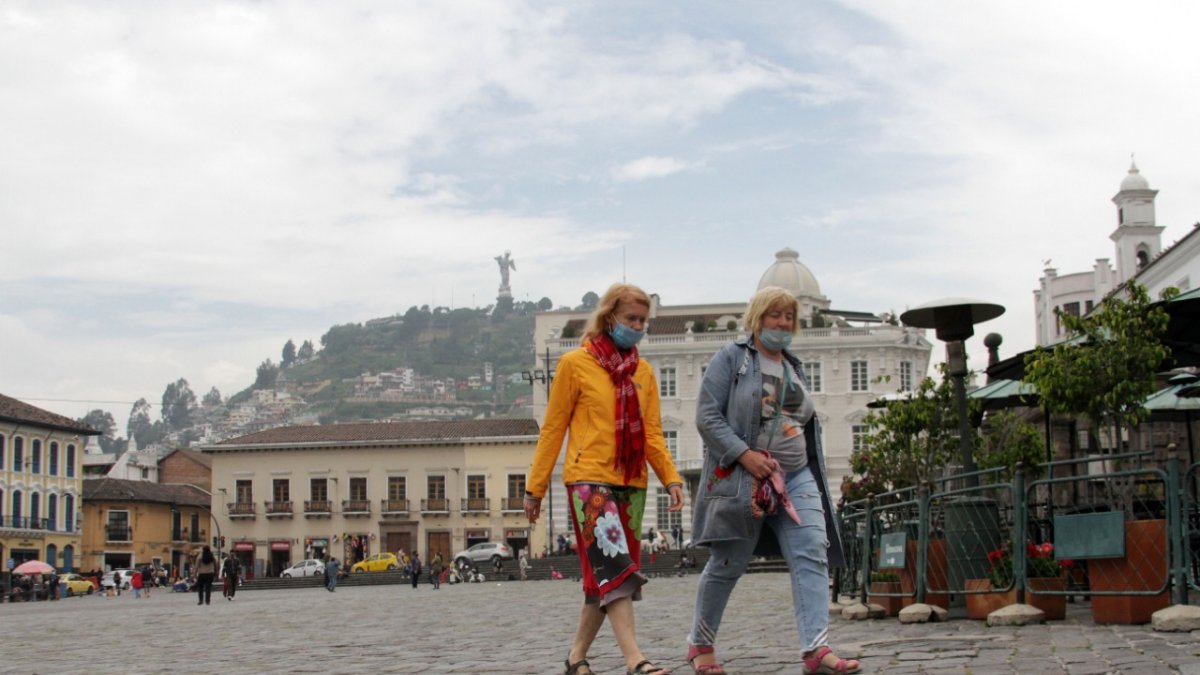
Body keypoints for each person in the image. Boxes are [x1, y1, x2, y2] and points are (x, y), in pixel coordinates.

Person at [686, 286, 857, 675]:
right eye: (774, 315)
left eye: (788, 317)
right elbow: (707, 416)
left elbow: (800, 419)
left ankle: (817, 651)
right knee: (729, 561)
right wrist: (744, 455)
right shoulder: (732, 359)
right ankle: (700, 643)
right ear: (757, 317)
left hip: (796, 477)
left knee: (812, 551)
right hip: (746, 480)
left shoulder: (793, 366)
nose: (782, 323)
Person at [525, 282, 685, 675]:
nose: (638, 326)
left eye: (643, 320)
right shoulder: (574, 365)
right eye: (631, 318)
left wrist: (671, 478)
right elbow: (553, 429)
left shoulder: (643, 373)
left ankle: (576, 657)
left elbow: (652, 434)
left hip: (631, 483)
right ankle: (635, 659)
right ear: (609, 316)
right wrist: (536, 487)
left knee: (603, 580)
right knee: (615, 569)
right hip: (588, 480)